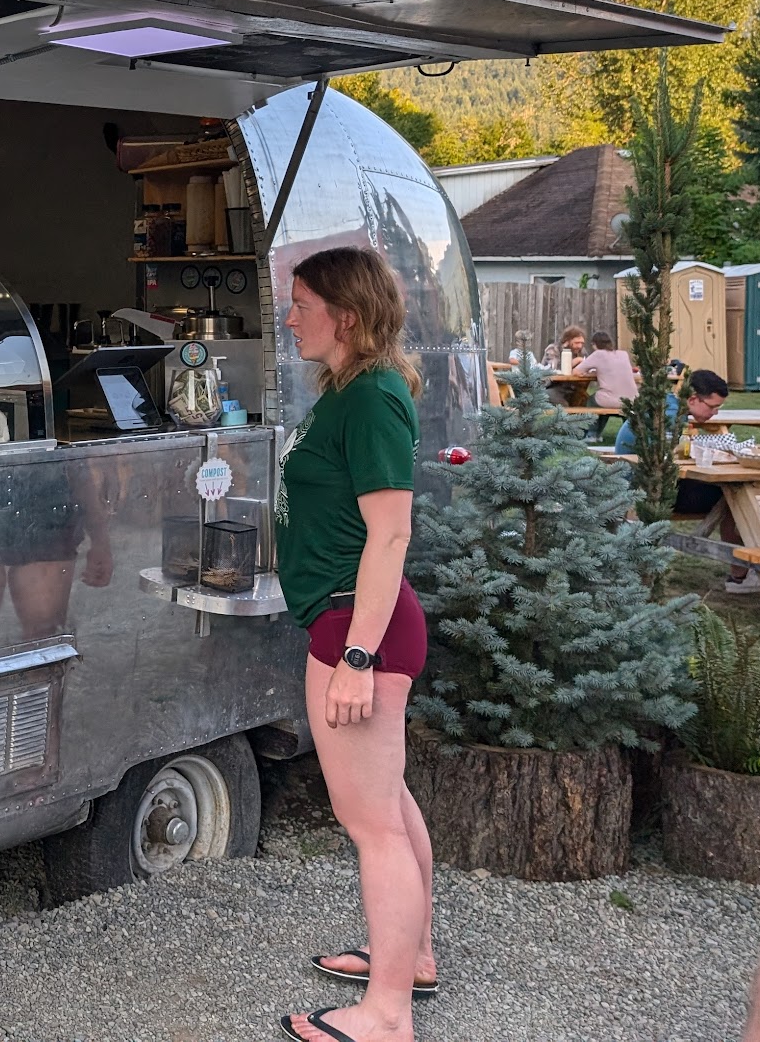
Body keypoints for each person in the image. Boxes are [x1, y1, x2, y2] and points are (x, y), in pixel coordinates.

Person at [277, 246, 433, 1042]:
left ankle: (386, 1014)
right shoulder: (347, 392)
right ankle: (413, 956)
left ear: (346, 313)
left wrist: (358, 658)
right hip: (351, 617)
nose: (288, 316)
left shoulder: (371, 397)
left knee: (370, 822)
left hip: (356, 624)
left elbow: (392, 532)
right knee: (391, 803)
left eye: (301, 303)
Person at [614, 368, 760, 594]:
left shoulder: (668, 406)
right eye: (712, 407)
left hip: (643, 483)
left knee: (733, 491)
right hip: (647, 490)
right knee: (735, 491)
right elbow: (670, 458)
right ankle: (741, 575)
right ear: (693, 399)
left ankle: (741, 574)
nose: (714, 414)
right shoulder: (669, 418)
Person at [576, 330, 638, 411]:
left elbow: (576, 371)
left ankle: (592, 424)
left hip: (612, 400)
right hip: (633, 399)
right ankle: (626, 423)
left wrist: (577, 361)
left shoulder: (598, 354)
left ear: (595, 344)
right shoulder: (623, 354)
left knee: (592, 401)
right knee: (602, 402)